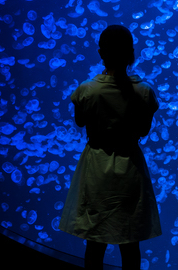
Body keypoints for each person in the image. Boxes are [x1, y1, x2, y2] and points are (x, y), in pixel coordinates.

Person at [59, 25, 162, 270]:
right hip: (130, 169)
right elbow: (144, 130)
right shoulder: (144, 93)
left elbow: (80, 121)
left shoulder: (87, 91)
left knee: (95, 241)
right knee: (130, 243)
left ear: (101, 53)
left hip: (96, 170)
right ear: (131, 54)